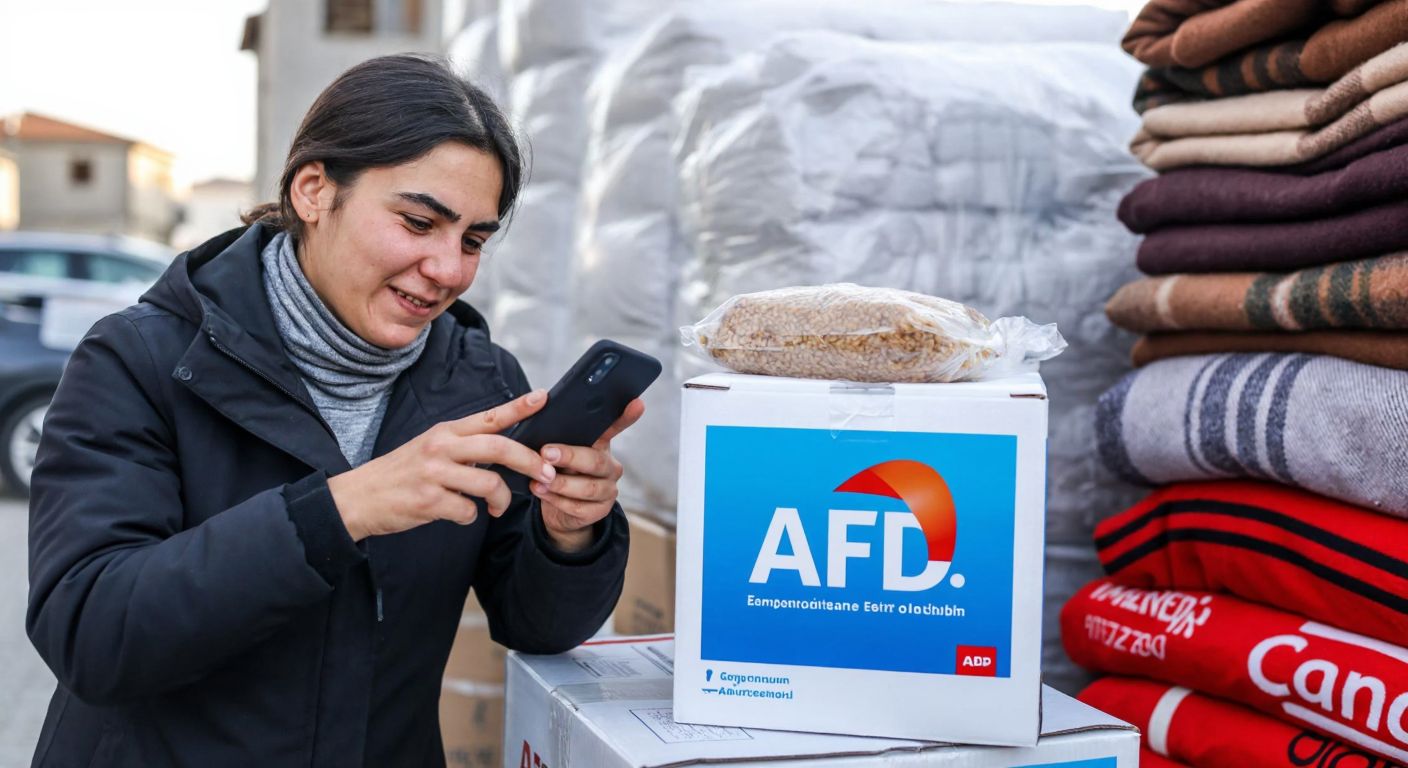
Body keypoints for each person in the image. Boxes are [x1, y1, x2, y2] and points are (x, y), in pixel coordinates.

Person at [25, 54, 637, 766]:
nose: (449, 268)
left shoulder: (481, 380)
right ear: (314, 190)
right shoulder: (141, 360)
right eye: (418, 221)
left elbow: (539, 623)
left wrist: (570, 535)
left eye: (473, 240)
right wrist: (341, 509)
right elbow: (92, 632)